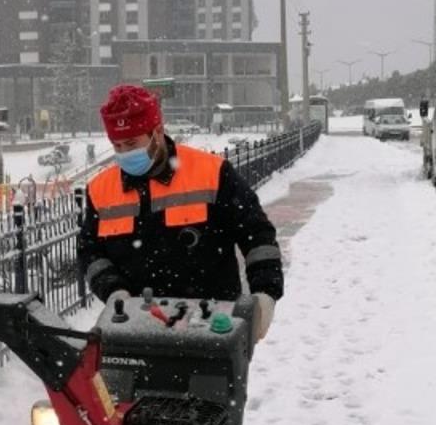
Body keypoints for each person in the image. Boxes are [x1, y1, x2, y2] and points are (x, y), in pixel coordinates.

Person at [79, 85, 283, 340]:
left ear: (158, 133)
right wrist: (113, 291)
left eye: (132, 143)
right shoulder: (100, 190)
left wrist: (265, 293)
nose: (124, 153)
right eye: (117, 145)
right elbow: (90, 250)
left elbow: (257, 234)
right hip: (137, 327)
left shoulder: (212, 173)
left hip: (212, 327)